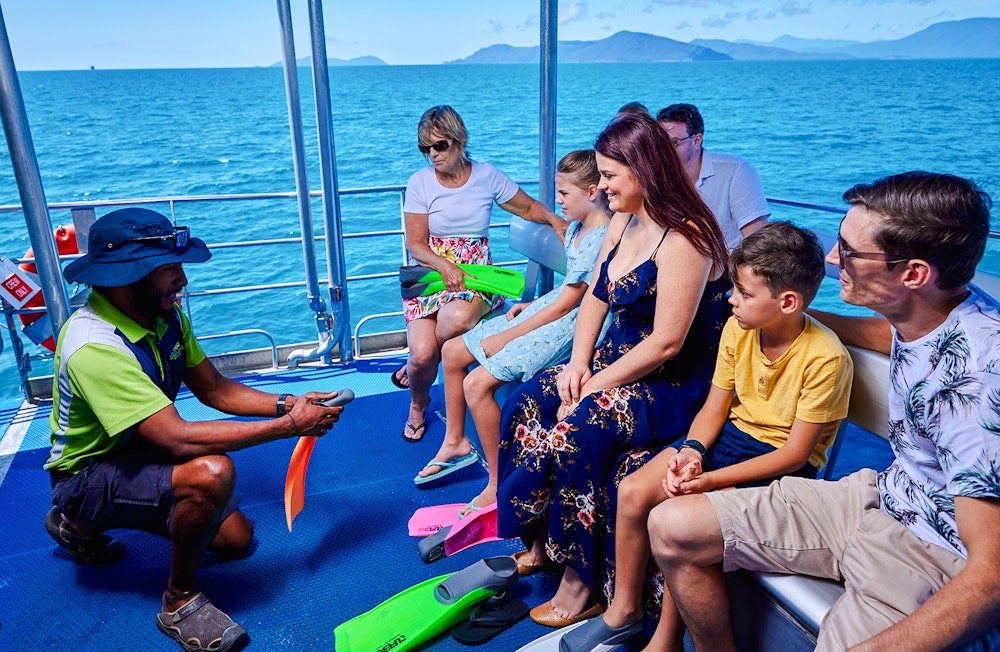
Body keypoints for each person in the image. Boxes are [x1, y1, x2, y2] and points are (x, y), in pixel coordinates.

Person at [651, 171, 1000, 651]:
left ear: (914, 274)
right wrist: (794, 315)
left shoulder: (981, 379)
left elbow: (996, 576)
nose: (833, 258)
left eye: (850, 250)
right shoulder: (933, 310)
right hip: (878, 495)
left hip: (928, 551)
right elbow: (891, 336)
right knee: (670, 526)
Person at [44, 207, 345, 652]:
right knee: (210, 475)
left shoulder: (164, 316)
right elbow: (176, 437)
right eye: (168, 270)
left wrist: (289, 403)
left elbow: (216, 389)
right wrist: (288, 427)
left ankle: (86, 527)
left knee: (236, 540)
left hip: (140, 453)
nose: (182, 280)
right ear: (125, 278)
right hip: (86, 475)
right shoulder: (94, 344)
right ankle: (177, 600)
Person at [561, 221, 853, 652]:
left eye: (745, 294)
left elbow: (796, 455)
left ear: (788, 301)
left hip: (778, 465)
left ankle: (665, 640)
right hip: (728, 439)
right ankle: (624, 610)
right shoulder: (739, 330)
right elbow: (715, 408)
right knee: (634, 490)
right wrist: (694, 452)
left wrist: (708, 481)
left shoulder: (826, 358)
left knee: (683, 514)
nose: (731, 300)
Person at [496, 112, 730, 628]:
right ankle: (540, 546)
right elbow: (598, 296)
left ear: (646, 170)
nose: (600, 188)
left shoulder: (687, 236)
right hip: (617, 362)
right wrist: (579, 363)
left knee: (578, 429)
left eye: (609, 176)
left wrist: (596, 384)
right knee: (529, 400)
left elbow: (668, 343)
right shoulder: (624, 220)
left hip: (672, 384)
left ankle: (582, 583)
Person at [416, 150, 612, 514]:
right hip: (554, 309)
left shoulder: (602, 237)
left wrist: (507, 335)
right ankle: (455, 441)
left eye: (564, 194)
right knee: (452, 352)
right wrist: (530, 305)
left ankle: (497, 484)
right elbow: (570, 287)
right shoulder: (576, 231)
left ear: (591, 192)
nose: (558, 201)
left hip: (571, 326)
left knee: (477, 385)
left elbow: (572, 304)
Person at [395, 105, 567, 443]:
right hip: (431, 273)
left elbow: (527, 206)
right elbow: (415, 244)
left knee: (454, 321)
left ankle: (419, 369)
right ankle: (419, 403)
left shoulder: (486, 176)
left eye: (440, 146)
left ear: (459, 141)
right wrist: (445, 267)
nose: (433, 155)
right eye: (425, 148)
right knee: (422, 354)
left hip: (475, 277)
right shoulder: (419, 183)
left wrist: (555, 219)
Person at [655, 103, 770, 251]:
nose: (663, 150)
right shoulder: (656, 178)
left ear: (696, 140)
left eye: (673, 143)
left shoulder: (735, 171)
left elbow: (757, 242)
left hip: (728, 267)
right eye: (659, 143)